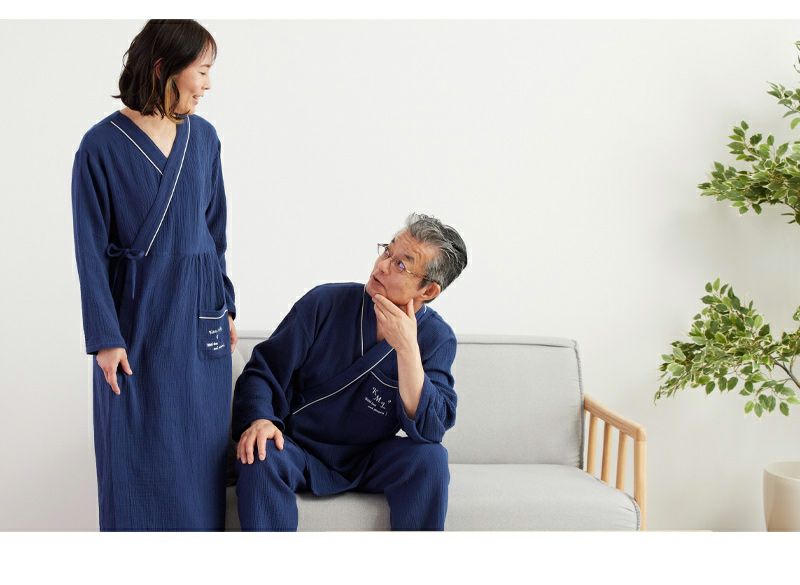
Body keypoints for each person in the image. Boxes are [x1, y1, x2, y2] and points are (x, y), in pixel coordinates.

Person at [71, 19, 237, 531]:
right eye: (201, 71)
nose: (208, 85)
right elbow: (89, 252)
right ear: (165, 67)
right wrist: (105, 338)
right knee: (131, 453)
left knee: (200, 457)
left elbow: (215, 232)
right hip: (135, 320)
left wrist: (226, 305)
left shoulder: (204, 139)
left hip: (199, 318)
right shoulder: (100, 146)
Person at [232, 213, 467, 531]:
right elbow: (263, 372)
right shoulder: (324, 302)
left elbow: (431, 429)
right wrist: (260, 420)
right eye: (387, 252)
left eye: (400, 265)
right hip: (296, 448)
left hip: (368, 459)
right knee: (260, 453)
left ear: (428, 291)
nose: (381, 266)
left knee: (430, 459)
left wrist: (407, 350)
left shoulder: (437, 338)